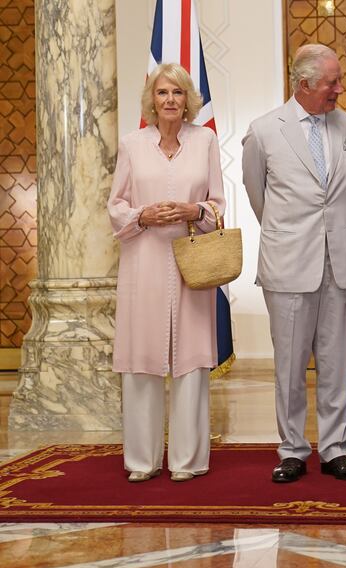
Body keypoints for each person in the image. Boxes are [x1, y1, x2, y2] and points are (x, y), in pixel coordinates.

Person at [242, 44, 346, 483]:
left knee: (336, 363)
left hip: (339, 261)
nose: (339, 89)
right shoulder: (263, 130)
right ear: (304, 84)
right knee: (290, 366)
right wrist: (292, 234)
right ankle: (292, 450)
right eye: (331, 82)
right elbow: (258, 196)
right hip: (289, 263)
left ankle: (336, 449)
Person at [108, 63, 226, 483]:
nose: (170, 100)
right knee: (141, 359)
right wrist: (143, 215)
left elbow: (218, 204)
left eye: (177, 92)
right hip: (144, 263)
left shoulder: (206, 140)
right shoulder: (131, 144)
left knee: (191, 362)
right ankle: (142, 461)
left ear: (188, 98)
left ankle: (188, 461)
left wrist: (195, 210)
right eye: (162, 93)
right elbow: (115, 206)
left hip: (191, 263)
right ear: (151, 100)